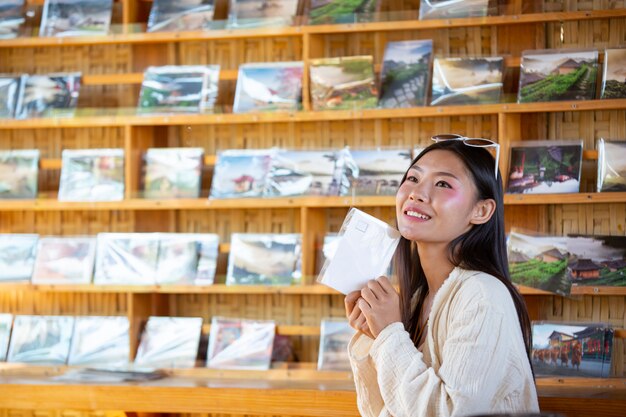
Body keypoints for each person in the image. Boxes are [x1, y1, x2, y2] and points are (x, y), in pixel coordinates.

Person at [344, 136, 539, 416]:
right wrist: (374, 335)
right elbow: (382, 411)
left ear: (481, 210)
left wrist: (389, 334)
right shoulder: (415, 301)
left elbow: (449, 412)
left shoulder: (483, 295)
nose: (417, 193)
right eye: (412, 178)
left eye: (443, 184)